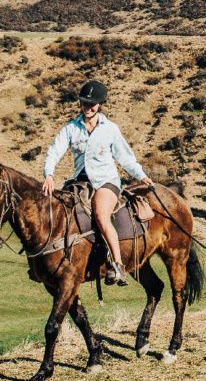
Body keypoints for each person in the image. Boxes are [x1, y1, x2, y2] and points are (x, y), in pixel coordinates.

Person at [41, 80, 152, 285]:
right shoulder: (71, 128)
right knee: (60, 212)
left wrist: (140, 175)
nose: (87, 107)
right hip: (80, 181)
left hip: (106, 181)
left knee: (101, 214)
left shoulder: (110, 129)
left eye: (92, 104)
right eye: (84, 103)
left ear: (100, 105)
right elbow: (54, 151)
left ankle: (117, 265)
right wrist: (49, 174)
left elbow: (125, 157)